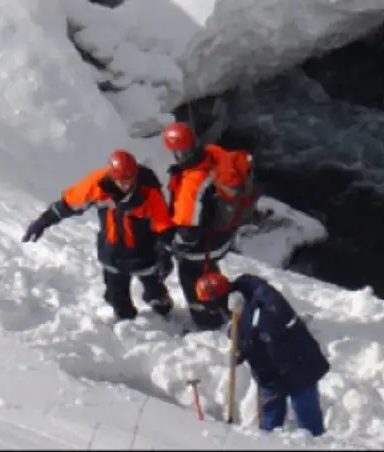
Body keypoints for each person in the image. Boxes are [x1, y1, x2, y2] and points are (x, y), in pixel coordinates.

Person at [22, 149, 175, 322]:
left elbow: (163, 223)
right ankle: (122, 313)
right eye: (121, 181)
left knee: (163, 305)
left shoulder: (149, 189)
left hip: (144, 252)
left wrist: (165, 252)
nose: (126, 186)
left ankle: (156, 296)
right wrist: (44, 221)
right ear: (112, 176)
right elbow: (70, 204)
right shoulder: (97, 184)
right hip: (113, 254)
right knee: (123, 311)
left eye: (130, 180)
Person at [195, 271, 329, 437]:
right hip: (270, 372)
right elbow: (251, 337)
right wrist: (241, 351)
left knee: (308, 420)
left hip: (297, 363)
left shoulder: (260, 297)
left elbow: (270, 325)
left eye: (211, 305)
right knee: (270, 423)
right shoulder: (233, 310)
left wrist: (246, 328)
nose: (212, 310)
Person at [161, 122, 256, 331]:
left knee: (191, 279)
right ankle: (227, 304)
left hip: (204, 246)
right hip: (221, 236)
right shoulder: (214, 154)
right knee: (210, 275)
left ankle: (208, 322)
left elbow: (188, 232)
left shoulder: (193, 182)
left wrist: (173, 246)